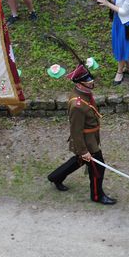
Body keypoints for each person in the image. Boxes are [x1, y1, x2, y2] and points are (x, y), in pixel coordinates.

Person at [47, 64, 116, 205]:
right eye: (88, 79)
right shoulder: (78, 105)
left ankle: (55, 177)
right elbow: (75, 130)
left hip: (91, 137)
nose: (91, 81)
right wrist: (83, 150)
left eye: (90, 77)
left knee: (79, 161)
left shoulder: (84, 93)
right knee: (98, 167)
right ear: (79, 82)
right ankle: (97, 196)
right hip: (87, 142)